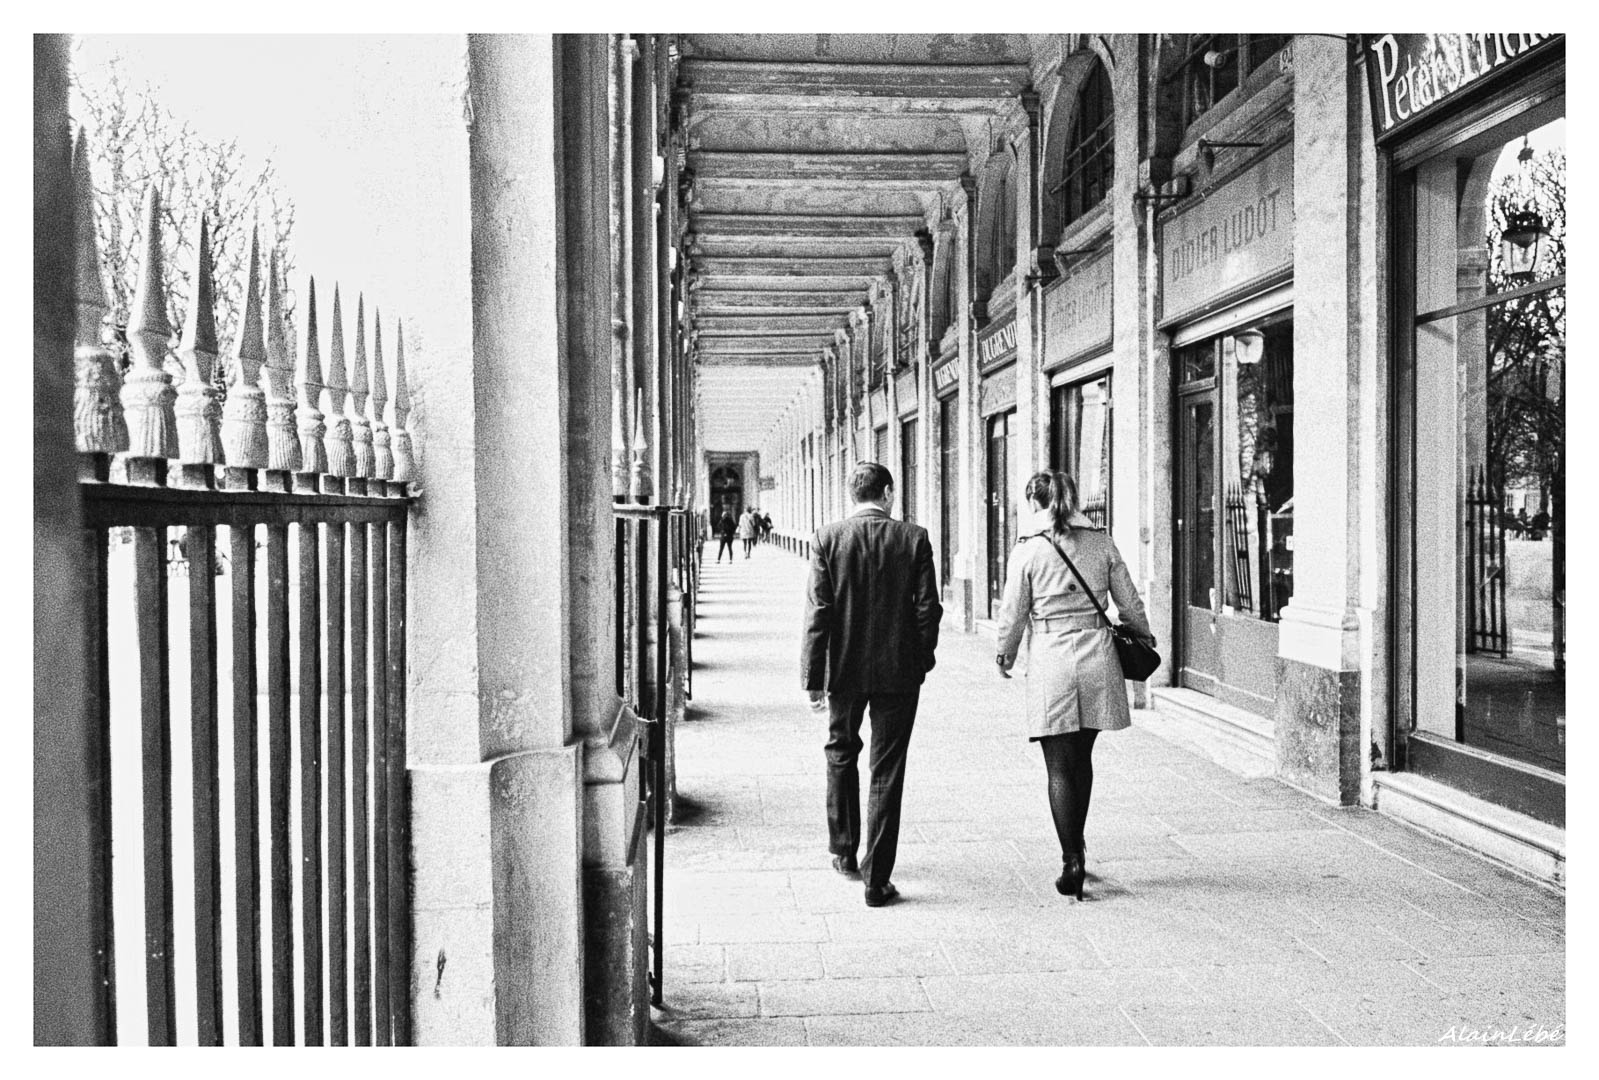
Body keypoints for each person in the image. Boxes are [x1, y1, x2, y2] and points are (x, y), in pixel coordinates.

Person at [995, 470, 1153, 902]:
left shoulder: (1028, 550)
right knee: (1081, 758)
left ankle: (1072, 862)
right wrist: (1144, 636)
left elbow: (1013, 611)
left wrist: (1005, 656)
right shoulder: (1101, 542)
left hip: (1053, 660)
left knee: (1059, 767)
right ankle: (1078, 847)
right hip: (1098, 657)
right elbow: (1129, 601)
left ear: (1035, 503)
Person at [802, 462, 942, 907]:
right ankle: (877, 879)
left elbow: (818, 612)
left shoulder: (827, 538)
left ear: (852, 495)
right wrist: (920, 660)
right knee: (887, 767)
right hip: (898, 671)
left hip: (844, 670)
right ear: (887, 492)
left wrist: (813, 677)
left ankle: (844, 851)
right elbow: (928, 608)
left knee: (840, 752)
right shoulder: (913, 538)